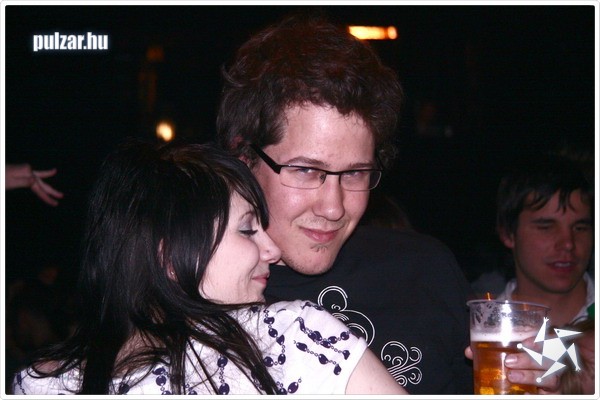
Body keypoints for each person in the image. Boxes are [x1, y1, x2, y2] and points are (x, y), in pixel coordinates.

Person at [12, 140, 406, 395]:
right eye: (247, 229)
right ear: (169, 257)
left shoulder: (43, 384)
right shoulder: (293, 335)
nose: (271, 250)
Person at [217, 13, 473, 394]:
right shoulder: (203, 298)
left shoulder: (426, 270)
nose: (334, 208)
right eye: (306, 170)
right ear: (244, 160)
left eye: (355, 173)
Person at [468, 152, 595, 394]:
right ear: (508, 234)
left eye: (580, 227)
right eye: (546, 227)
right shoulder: (482, 329)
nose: (568, 243)